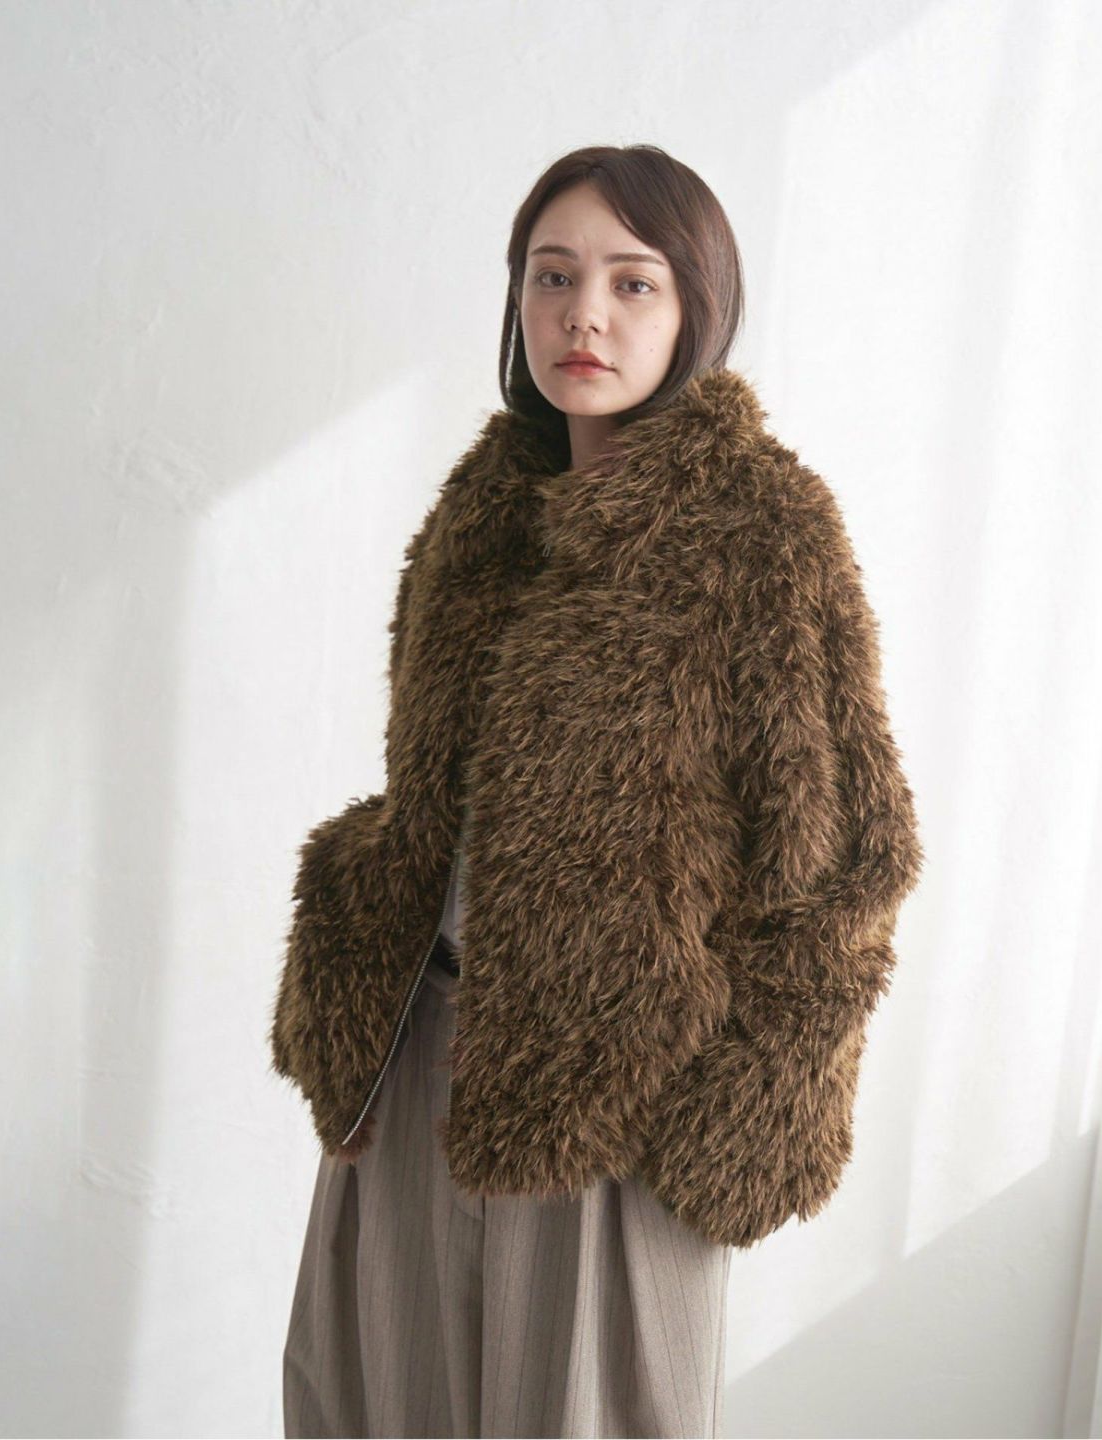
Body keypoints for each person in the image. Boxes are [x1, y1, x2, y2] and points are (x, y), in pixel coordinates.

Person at [270, 143, 924, 1439]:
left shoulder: (762, 534)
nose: (585, 315)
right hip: (413, 1063)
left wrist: (726, 1119)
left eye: (633, 283)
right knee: (362, 1410)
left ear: (695, 309)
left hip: (623, 1107)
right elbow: (429, 797)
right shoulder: (482, 512)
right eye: (553, 276)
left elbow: (853, 862)